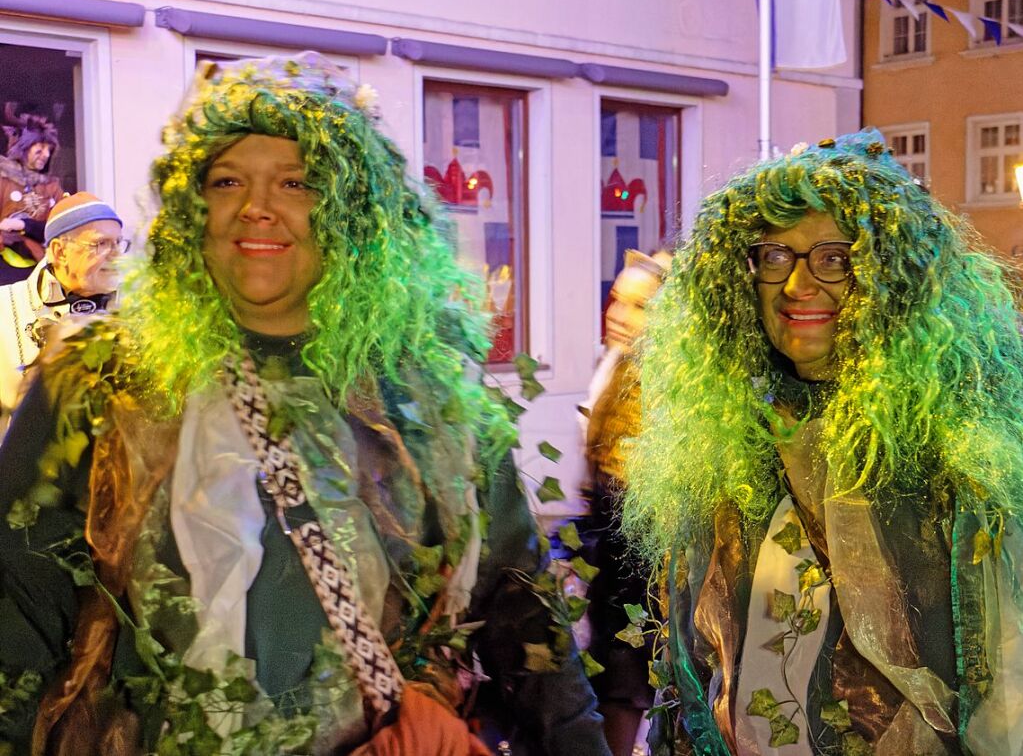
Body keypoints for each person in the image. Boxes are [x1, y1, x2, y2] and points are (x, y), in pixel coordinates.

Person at [0, 53, 609, 756]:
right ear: (193, 210)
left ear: (351, 209)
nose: (256, 205)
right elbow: (17, 619)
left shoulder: (435, 402)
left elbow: (523, 624)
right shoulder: (100, 381)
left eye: (296, 182)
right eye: (227, 180)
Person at [623, 129, 1023, 755]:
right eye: (774, 256)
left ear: (893, 282)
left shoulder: (958, 455)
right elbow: (693, 667)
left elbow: (1005, 678)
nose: (797, 286)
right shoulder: (721, 449)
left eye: (834, 259)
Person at [577, 249, 668, 756]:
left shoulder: (668, 391)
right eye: (616, 299)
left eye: (637, 306)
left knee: (625, 686)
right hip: (612, 571)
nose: (617, 314)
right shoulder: (616, 370)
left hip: (645, 582)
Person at [0, 191, 124, 441]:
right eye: (101, 244)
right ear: (59, 252)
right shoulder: (4, 307)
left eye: (119, 243)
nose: (116, 255)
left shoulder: (137, 310)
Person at [0, 105, 64, 285]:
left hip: (40, 266)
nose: (45, 155)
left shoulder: (51, 187)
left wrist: (23, 225)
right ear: (25, 147)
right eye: (40, 148)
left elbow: (60, 227)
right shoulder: (3, 179)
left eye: (49, 150)